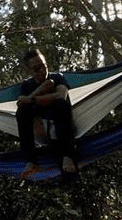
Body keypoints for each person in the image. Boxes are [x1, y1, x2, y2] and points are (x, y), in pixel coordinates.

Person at [16, 46, 77, 178]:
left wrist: (32, 99)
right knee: (22, 111)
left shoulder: (58, 77)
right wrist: (39, 91)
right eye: (37, 69)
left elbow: (61, 95)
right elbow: (21, 102)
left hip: (64, 133)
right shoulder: (27, 85)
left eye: (44, 65)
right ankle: (31, 161)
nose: (43, 70)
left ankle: (68, 156)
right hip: (43, 134)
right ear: (30, 71)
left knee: (60, 103)